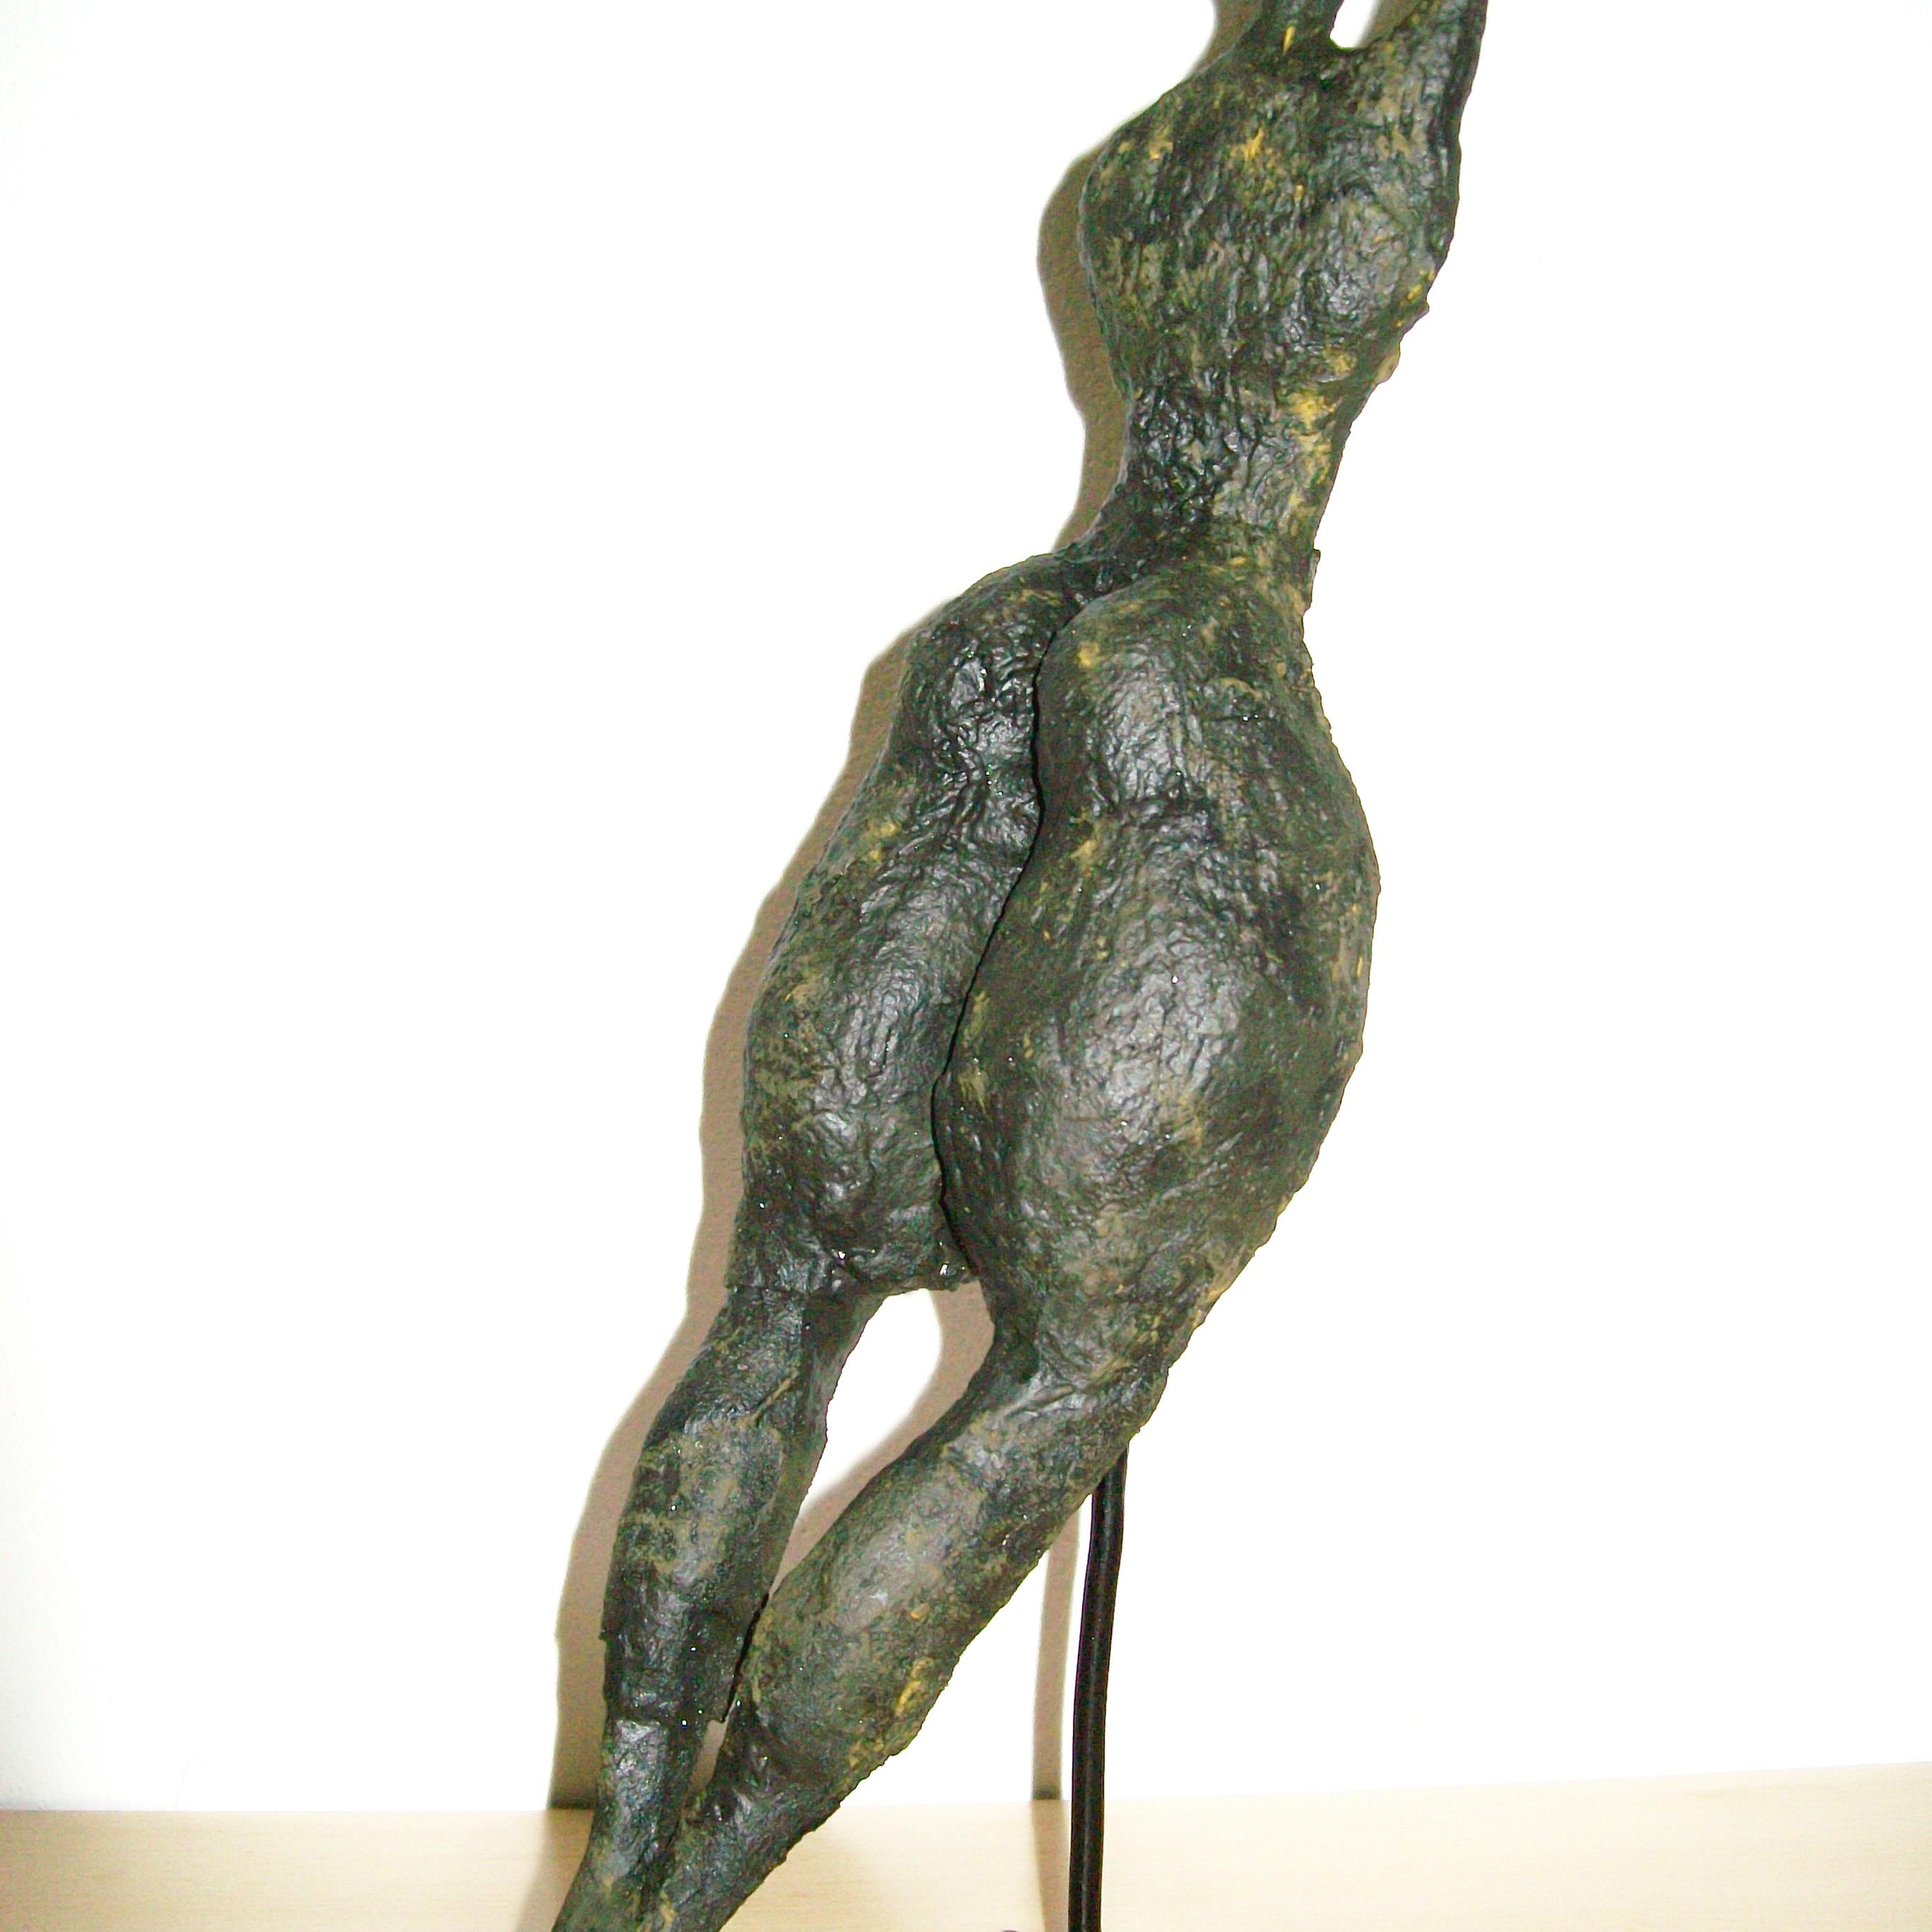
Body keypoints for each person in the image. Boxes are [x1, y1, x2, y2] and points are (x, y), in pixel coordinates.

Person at [558, 5, 1486, 1926]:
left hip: (1022, 622)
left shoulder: (1203, 110)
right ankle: (686, 1891)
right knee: (1060, 1385)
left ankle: (623, 1877)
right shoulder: (1391, 92)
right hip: (1207, 658)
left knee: (777, 1302)